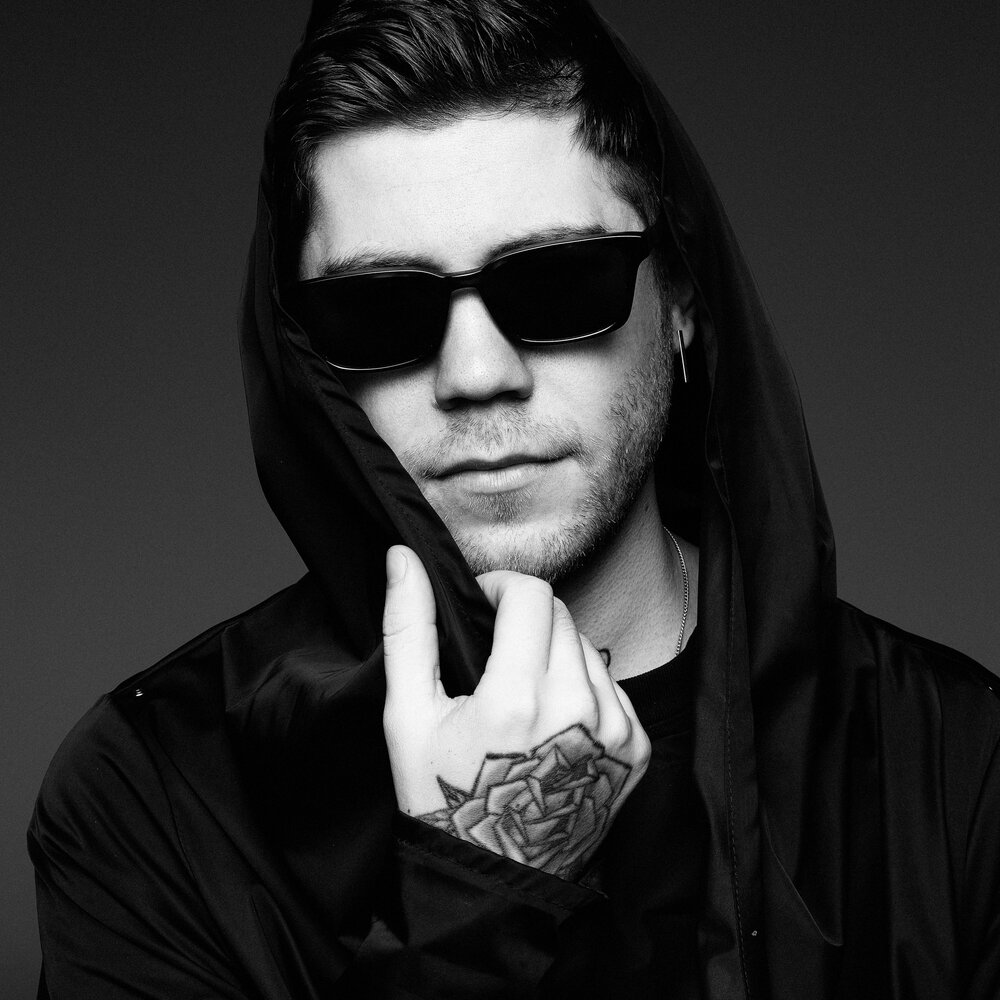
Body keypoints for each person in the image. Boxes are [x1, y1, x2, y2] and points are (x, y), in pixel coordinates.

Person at [28, 1, 999, 997]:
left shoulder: (955, 762)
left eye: (557, 283)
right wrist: (486, 881)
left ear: (682, 301)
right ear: (308, 359)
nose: (478, 372)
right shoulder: (153, 793)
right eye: (380, 308)